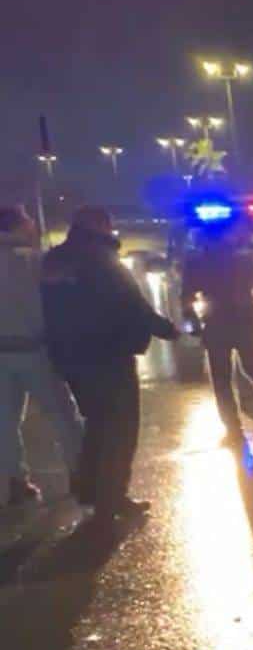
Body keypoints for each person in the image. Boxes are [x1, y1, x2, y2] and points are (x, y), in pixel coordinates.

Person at [40, 207, 179, 520]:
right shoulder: (101, 259)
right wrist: (168, 330)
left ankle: (89, 489)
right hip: (108, 355)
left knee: (97, 425)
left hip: (71, 358)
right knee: (119, 428)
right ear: (101, 226)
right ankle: (113, 497)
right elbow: (131, 305)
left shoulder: (54, 261)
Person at [0, 206, 83, 506]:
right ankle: (79, 473)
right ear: (17, 226)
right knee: (62, 415)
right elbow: (65, 291)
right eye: (27, 220)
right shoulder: (35, 261)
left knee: (5, 422)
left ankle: (14, 482)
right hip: (35, 350)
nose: (33, 225)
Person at [180, 220, 253, 446]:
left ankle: (233, 429)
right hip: (243, 321)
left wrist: (193, 323)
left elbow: (187, 296)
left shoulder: (197, 262)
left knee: (221, 379)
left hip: (216, 323)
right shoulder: (243, 260)